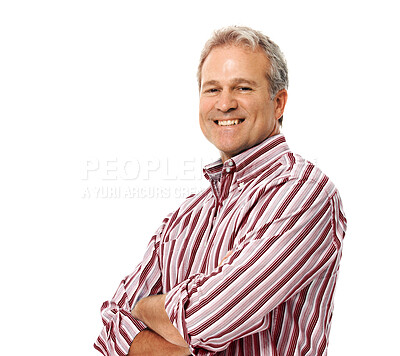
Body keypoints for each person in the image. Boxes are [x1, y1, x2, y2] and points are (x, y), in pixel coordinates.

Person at [94, 26, 347, 356]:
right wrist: (187, 313)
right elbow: (111, 333)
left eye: (242, 87)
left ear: (279, 102)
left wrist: (145, 310)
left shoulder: (304, 192)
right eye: (212, 89)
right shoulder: (185, 216)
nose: (225, 104)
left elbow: (205, 322)